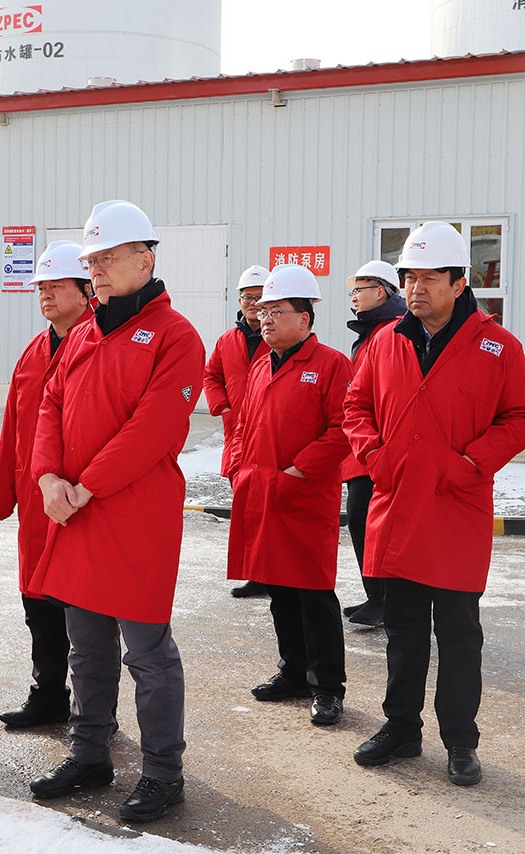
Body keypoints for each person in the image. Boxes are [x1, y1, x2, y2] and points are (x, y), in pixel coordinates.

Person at [343, 221, 525, 786]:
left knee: (458, 635)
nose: (417, 288)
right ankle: (401, 727)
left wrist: (470, 463)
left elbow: (523, 417)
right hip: (399, 503)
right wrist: (375, 455)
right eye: (410, 277)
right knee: (404, 630)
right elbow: (355, 406)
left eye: (431, 278)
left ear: (459, 283)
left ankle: (460, 740)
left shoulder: (497, 346)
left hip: (457, 507)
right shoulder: (387, 341)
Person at [27, 200, 204, 822]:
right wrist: (48, 476)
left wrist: (85, 486)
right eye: (91, 260)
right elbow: (49, 405)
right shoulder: (85, 332)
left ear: (144, 259)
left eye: (106, 258)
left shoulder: (176, 336)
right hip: (77, 510)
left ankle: (163, 773)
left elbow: (154, 427)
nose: (95, 270)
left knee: (148, 654)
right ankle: (89, 755)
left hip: (134, 515)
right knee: (86, 647)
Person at [225, 264, 352, 726]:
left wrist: (300, 469)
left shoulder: (331, 365)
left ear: (305, 318)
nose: (266, 319)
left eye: (277, 311)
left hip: (304, 497)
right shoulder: (262, 364)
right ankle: (293, 672)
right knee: (278, 588)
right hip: (263, 493)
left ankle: (327, 686)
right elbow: (243, 423)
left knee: (314, 594)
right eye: (263, 311)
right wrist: (238, 467)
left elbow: (345, 428)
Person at [0, 241, 93, 728]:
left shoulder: (99, 343)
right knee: (37, 604)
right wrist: (6, 489)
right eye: (41, 287)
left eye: (56, 286)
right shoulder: (34, 352)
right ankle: (48, 693)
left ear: (86, 290)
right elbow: (13, 425)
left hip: (80, 499)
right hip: (36, 500)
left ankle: (93, 710)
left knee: (84, 611)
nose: (46, 294)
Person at [339, 261, 406, 628]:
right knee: (360, 520)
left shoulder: (394, 331)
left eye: (359, 290)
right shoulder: (370, 332)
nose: (353, 297)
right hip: (363, 445)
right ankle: (375, 596)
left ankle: (385, 599)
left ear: (380, 291)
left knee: (370, 521)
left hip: (380, 446)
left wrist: (377, 445)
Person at [203, 264, 271, 599]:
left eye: (260, 297)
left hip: (271, 437)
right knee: (246, 510)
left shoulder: (279, 338)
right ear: (239, 301)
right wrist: (224, 408)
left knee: (272, 510)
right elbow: (211, 376)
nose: (254, 304)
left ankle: (276, 575)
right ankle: (256, 575)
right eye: (248, 297)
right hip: (238, 438)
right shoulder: (227, 341)